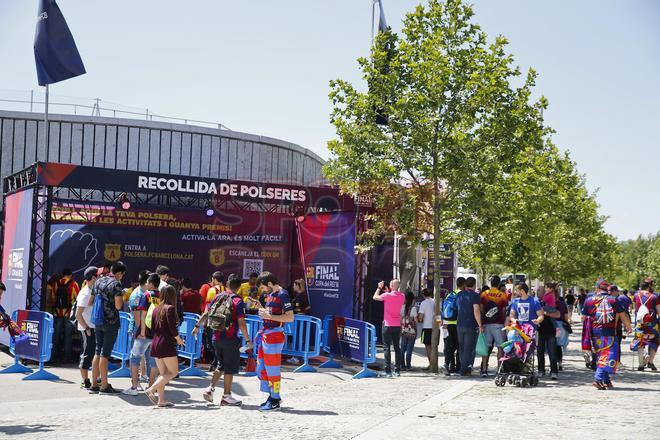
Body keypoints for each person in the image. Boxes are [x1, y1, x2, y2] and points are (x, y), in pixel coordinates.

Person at [193, 274, 253, 406]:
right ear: (239, 287)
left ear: (227, 284)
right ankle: (226, 396)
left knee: (221, 364)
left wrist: (197, 326)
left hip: (216, 336)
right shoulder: (238, 301)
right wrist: (248, 341)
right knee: (230, 368)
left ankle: (210, 389)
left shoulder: (218, 296)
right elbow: (241, 323)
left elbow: (206, 312)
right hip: (230, 338)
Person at [582, 279, 632, 389]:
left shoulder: (588, 300)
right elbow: (622, 314)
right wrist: (628, 327)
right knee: (608, 355)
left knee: (601, 355)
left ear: (597, 288)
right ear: (608, 288)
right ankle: (598, 378)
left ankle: (606, 381)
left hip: (594, 333)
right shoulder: (614, 300)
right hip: (609, 332)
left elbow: (583, 318)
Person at [255, 271, 294, 411]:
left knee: (272, 371)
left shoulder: (283, 294)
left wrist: (269, 316)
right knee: (262, 369)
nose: (263, 291)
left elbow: (290, 318)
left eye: (264, 287)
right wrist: (261, 309)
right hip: (266, 335)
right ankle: (272, 396)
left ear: (270, 284)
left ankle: (275, 399)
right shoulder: (271, 295)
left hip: (275, 337)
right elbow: (271, 314)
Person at [89, 261, 127, 395]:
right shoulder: (116, 284)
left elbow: (90, 302)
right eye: (122, 274)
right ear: (119, 273)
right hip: (110, 323)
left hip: (98, 321)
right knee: (105, 355)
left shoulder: (99, 281)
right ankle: (104, 386)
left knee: (97, 352)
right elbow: (118, 306)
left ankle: (94, 384)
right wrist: (121, 297)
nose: (122, 277)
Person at [144, 285, 183, 407]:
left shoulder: (156, 308)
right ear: (172, 296)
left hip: (155, 343)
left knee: (163, 373)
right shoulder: (170, 308)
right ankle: (151, 389)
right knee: (173, 372)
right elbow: (172, 328)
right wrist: (179, 339)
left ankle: (161, 401)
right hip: (166, 343)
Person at [122, 271, 159, 396]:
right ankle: (151, 388)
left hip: (142, 333)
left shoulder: (144, 295)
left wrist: (142, 331)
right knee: (153, 361)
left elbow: (140, 316)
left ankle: (134, 387)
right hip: (156, 334)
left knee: (135, 359)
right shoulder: (162, 295)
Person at [373, 279, 405, 378]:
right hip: (397, 325)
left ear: (391, 286)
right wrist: (388, 292)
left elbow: (375, 297)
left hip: (387, 324)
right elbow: (394, 299)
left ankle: (388, 371)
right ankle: (397, 370)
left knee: (387, 348)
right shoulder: (402, 296)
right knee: (397, 348)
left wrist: (379, 288)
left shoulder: (387, 296)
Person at [479, 276, 509, 378]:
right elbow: (504, 310)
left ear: (490, 283)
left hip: (486, 324)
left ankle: (484, 369)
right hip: (499, 323)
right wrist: (503, 320)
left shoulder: (484, 294)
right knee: (500, 347)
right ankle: (499, 370)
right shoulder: (503, 295)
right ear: (499, 283)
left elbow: (481, 309)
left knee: (486, 347)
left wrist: (483, 320)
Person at [75, 267, 98, 389]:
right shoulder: (85, 293)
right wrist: (87, 328)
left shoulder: (92, 290)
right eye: (98, 275)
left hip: (93, 326)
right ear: (93, 278)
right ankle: (85, 380)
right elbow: (78, 315)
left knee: (94, 353)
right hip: (88, 328)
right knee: (87, 354)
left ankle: (96, 379)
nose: (101, 277)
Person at [456, 277, 483, 376]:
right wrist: (480, 324)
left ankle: (463, 367)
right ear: (474, 285)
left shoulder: (459, 295)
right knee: (468, 348)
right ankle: (464, 369)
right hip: (470, 324)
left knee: (462, 347)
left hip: (459, 324)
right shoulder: (475, 296)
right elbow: (476, 310)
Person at [52, 268, 80, 363]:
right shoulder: (74, 284)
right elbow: (77, 299)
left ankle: (53, 356)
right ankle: (66, 358)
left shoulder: (56, 283)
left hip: (57, 312)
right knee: (68, 336)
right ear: (70, 275)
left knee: (56, 335)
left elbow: (53, 297)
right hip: (69, 313)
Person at [632, 278, 659, 371]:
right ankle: (650, 361)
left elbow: (635, 309)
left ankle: (640, 364)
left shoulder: (636, 296)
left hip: (640, 323)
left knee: (640, 341)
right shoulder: (655, 297)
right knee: (655, 341)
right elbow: (659, 311)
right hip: (652, 323)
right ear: (649, 286)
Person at [536, 283, 561, 379]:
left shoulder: (555, 300)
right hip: (539, 330)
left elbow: (558, 314)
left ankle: (554, 371)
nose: (539, 292)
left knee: (552, 352)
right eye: (538, 291)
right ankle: (541, 370)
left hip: (551, 330)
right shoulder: (536, 302)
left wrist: (545, 313)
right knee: (539, 352)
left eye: (541, 290)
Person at [441, 279, 462, 375]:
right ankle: (458, 367)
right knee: (459, 346)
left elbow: (443, 308)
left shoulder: (450, 294)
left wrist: (442, 322)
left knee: (450, 345)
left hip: (448, 322)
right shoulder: (462, 294)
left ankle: (449, 365)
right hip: (458, 323)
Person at [418, 288, 437, 371]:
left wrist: (419, 319)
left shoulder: (423, 303)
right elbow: (439, 314)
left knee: (428, 347)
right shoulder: (436, 302)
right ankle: (434, 364)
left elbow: (421, 317)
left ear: (423, 295)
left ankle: (431, 364)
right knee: (434, 346)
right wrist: (437, 324)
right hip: (435, 327)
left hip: (426, 327)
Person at [399, 291, 418, 371]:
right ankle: (408, 366)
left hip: (403, 331)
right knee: (409, 349)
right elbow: (416, 321)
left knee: (402, 348)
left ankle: (402, 365)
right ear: (413, 299)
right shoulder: (413, 308)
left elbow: (400, 319)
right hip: (412, 331)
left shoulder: (402, 307)